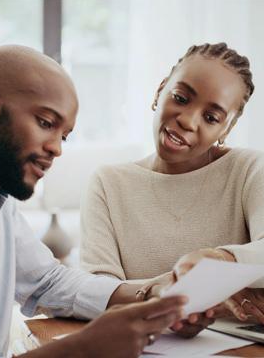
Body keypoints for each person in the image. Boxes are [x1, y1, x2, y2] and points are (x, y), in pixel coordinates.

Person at [0, 45, 187, 358]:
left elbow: (48, 282)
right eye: (45, 122)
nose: (56, 149)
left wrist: (154, 294)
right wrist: (83, 349)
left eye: (63, 135)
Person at [80, 42, 264, 336]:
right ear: (160, 90)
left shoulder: (249, 169)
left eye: (212, 118)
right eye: (180, 98)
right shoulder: (108, 183)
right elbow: (98, 292)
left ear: (226, 129)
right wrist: (216, 290)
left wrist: (220, 261)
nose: (187, 121)